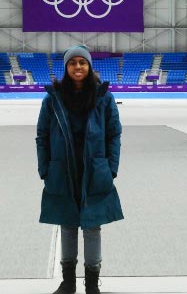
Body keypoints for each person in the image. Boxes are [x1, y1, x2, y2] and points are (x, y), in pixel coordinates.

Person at [36, 45, 124, 294]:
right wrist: (45, 169)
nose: (77, 67)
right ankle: (68, 282)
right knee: (67, 224)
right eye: (72, 63)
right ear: (66, 67)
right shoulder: (53, 98)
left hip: (95, 169)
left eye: (82, 62)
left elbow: (113, 134)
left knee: (93, 226)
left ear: (89, 66)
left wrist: (111, 167)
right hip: (62, 170)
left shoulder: (103, 97)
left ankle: (93, 284)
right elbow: (42, 135)